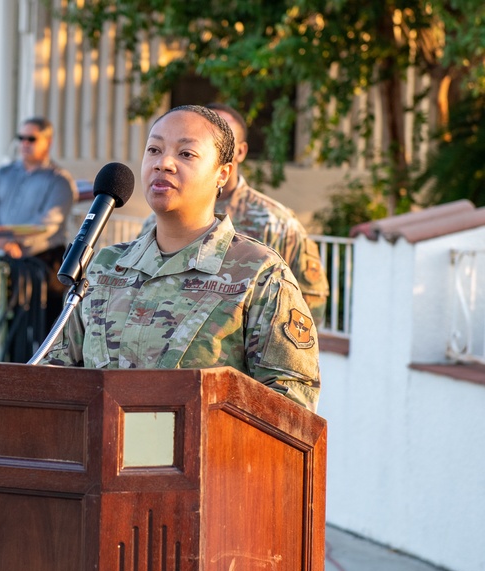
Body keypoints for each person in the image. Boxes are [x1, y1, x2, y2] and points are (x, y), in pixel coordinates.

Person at [43, 105, 320, 411]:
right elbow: (56, 375)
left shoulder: (260, 274)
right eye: (154, 149)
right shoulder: (107, 266)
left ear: (222, 173)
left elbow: (291, 407)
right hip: (102, 455)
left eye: (186, 153)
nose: (164, 163)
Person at [139, 103, 329, 326]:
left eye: (187, 152)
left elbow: (308, 306)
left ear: (239, 152)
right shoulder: (157, 220)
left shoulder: (275, 221)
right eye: (154, 149)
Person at [0, 116, 77, 335]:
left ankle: (44, 369)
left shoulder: (59, 180)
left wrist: (14, 241)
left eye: (31, 138)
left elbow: (50, 222)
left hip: (42, 263)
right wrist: (0, 242)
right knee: (6, 328)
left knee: (44, 330)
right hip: (6, 262)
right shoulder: (3, 173)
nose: (24, 143)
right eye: (21, 138)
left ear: (47, 141)